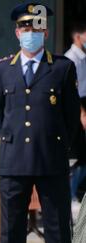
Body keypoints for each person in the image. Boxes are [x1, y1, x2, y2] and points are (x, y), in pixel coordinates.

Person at [0, 3, 80, 243]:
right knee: (11, 237)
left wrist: (57, 148)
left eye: (37, 28)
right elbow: (3, 112)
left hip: (50, 162)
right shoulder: (3, 68)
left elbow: (71, 119)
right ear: (18, 32)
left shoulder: (62, 68)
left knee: (58, 234)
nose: (31, 33)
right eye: (26, 28)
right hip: (13, 163)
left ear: (45, 32)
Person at [65, 22, 86, 215]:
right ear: (77, 37)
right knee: (77, 156)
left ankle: (75, 193)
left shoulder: (83, 57)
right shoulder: (70, 59)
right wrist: (82, 114)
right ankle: (70, 195)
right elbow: (73, 91)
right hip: (79, 107)